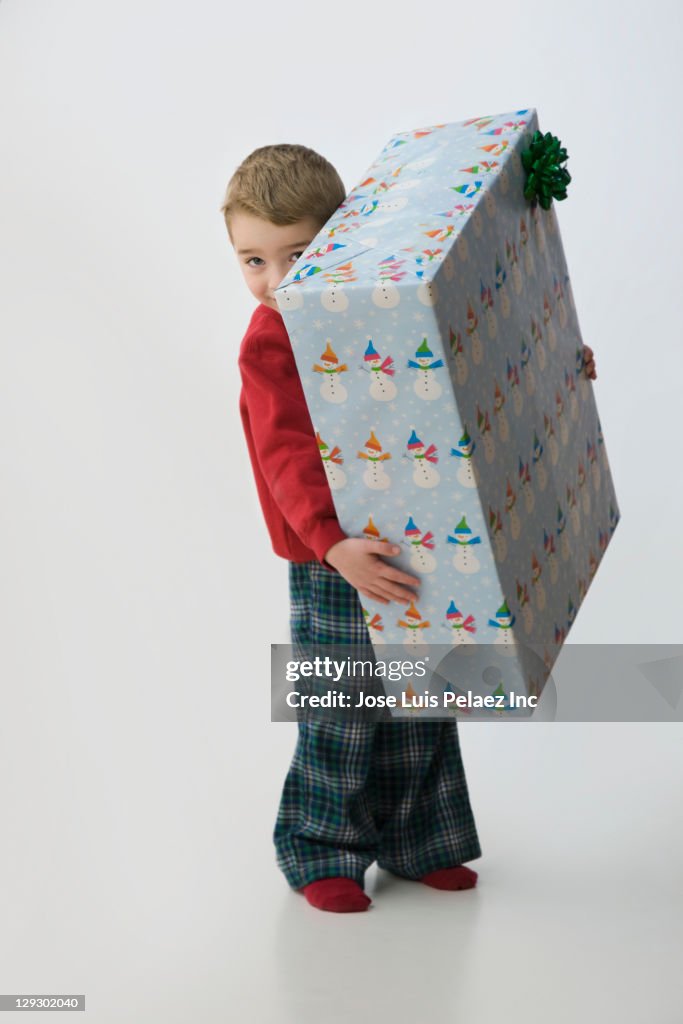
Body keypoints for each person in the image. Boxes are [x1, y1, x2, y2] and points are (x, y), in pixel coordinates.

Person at [221, 143, 597, 914]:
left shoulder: (381, 306)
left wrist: (559, 359)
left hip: (413, 532)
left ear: (341, 241)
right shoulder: (270, 339)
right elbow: (284, 453)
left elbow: (464, 365)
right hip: (332, 557)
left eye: (298, 254)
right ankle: (320, 846)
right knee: (342, 703)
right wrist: (331, 544)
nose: (276, 279)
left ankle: (417, 838)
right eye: (252, 260)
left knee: (423, 695)